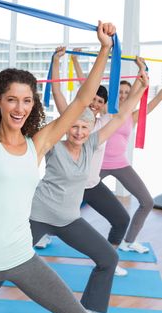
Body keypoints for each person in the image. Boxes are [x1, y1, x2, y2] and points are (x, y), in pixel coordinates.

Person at [0, 0, 116, 313]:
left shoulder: (38, 144)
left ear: (33, 104)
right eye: (12, 99)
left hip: (22, 257)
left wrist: (104, 49)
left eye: (27, 100)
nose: (20, 108)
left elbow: (79, 102)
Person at [0, 48, 149, 313]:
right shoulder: (53, 146)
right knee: (5, 260)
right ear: (67, 127)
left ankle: (93, 310)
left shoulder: (92, 143)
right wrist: (56, 65)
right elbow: (60, 101)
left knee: (108, 258)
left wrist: (141, 84)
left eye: (84, 127)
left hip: (70, 220)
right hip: (39, 215)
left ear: (90, 128)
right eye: (74, 127)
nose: (79, 132)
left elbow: (119, 116)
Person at [36, 48, 133, 277]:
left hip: (90, 184)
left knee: (120, 219)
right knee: (51, 217)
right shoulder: (72, 116)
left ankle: (109, 257)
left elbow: (123, 112)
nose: (95, 103)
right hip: (66, 186)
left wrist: (140, 82)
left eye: (100, 101)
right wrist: (58, 62)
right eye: (93, 98)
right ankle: (42, 233)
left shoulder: (101, 125)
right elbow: (62, 90)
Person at [100, 79, 162, 253]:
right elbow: (87, 89)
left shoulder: (133, 115)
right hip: (99, 165)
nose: (123, 95)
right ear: (113, 94)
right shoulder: (106, 110)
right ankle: (47, 233)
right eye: (120, 92)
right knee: (73, 197)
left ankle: (129, 241)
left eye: (127, 93)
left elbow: (154, 102)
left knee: (147, 202)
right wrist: (74, 60)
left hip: (121, 164)